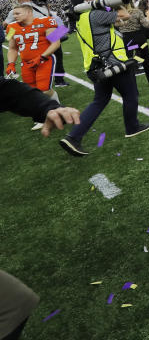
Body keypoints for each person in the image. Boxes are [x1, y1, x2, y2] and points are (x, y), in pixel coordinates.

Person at [1, 76, 81, 340]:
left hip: (37, 60)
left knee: (15, 303)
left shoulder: (20, 31)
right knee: (14, 304)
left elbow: (5, 85)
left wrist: (45, 107)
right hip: (44, 59)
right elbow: (60, 35)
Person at [59, 0, 149, 157]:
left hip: (95, 67)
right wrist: (110, 2)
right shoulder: (94, 15)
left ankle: (73, 137)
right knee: (131, 95)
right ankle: (132, 127)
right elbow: (125, 14)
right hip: (114, 64)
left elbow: (117, 25)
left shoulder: (82, 18)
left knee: (99, 101)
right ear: (87, 1)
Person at [5, 4, 62, 129]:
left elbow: (56, 43)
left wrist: (41, 57)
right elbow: (12, 48)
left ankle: (57, 109)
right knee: (31, 92)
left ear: (29, 12)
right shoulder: (11, 27)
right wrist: (11, 64)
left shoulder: (46, 21)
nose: (14, 16)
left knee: (44, 89)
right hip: (26, 63)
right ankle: (44, 115)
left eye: (17, 13)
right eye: (14, 14)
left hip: (44, 60)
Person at [3, 0, 68, 88]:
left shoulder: (15, 11)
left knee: (43, 88)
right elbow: (55, 21)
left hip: (37, 45)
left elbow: (7, 27)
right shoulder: (42, 7)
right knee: (58, 58)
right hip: (47, 40)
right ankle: (59, 80)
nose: (16, 16)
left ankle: (50, 87)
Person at [116, 2, 149, 86]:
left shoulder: (117, 13)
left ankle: (130, 85)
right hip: (139, 38)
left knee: (128, 62)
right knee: (145, 60)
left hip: (128, 40)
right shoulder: (137, 12)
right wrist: (148, 15)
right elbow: (147, 25)